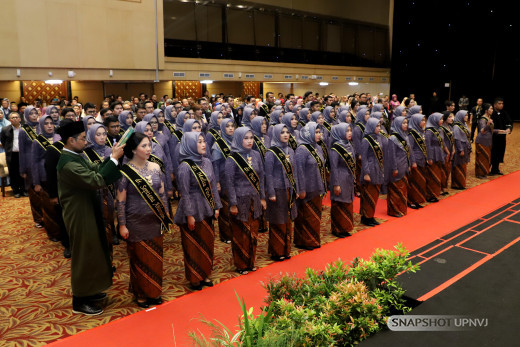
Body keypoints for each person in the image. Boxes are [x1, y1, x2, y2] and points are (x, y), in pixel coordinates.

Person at [57, 121, 124, 315]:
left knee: (93, 249)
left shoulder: (75, 155)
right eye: (83, 138)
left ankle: (89, 291)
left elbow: (92, 169)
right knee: (83, 253)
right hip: (78, 213)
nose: (86, 141)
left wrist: (110, 158)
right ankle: (79, 300)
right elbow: (95, 180)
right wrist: (112, 160)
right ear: (71, 140)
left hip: (86, 208)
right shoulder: (68, 163)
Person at [118, 132, 172, 308]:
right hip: (135, 222)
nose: (148, 149)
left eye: (149, 145)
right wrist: (122, 224)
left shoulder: (156, 167)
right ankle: (141, 293)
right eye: (144, 146)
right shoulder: (125, 172)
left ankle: (154, 291)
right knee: (139, 259)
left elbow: (162, 194)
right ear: (133, 149)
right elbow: (121, 201)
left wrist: (165, 217)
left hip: (154, 220)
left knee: (155, 257)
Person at [175, 132, 222, 290]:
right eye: (199, 142)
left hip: (207, 206)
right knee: (193, 245)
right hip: (192, 209)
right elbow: (185, 193)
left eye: (204, 141)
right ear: (189, 145)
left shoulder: (207, 162)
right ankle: (195, 277)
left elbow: (213, 186)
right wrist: (189, 215)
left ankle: (205, 273)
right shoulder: (184, 167)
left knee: (207, 242)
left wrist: (216, 206)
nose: (204, 144)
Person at [225, 127, 266, 274]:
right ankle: (242, 264)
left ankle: (251, 262)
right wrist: (233, 203)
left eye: (251, 138)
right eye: (246, 138)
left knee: (253, 232)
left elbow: (261, 177)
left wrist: (262, 197)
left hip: (254, 199)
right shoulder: (232, 159)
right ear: (238, 139)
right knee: (241, 234)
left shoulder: (255, 155)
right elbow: (229, 183)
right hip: (240, 201)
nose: (249, 141)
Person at [265, 124, 298, 260]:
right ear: (276, 134)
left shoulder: (290, 150)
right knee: (278, 220)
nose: (285, 134)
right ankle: (276, 251)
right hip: (277, 191)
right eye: (282, 132)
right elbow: (268, 175)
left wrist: (295, 188)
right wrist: (271, 192)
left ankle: (286, 250)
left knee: (287, 220)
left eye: (287, 132)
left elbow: (294, 172)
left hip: (288, 190)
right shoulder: (270, 153)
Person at [294, 122, 326, 249]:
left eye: (319, 132)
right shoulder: (302, 149)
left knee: (314, 216)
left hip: (317, 187)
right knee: (306, 216)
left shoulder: (317, 147)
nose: (319, 135)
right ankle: (305, 241)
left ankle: (313, 239)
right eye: (316, 132)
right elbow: (299, 171)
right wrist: (301, 189)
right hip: (306, 188)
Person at [32, 114, 59, 241]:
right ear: (41, 126)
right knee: (49, 208)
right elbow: (34, 162)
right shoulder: (37, 141)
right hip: (44, 176)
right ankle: (53, 233)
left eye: (51, 123)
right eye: (46, 124)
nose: (49, 126)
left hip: (59, 174)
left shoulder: (58, 137)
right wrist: (36, 182)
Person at [329, 123, 356, 235]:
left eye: (350, 130)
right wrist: (336, 184)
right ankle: (337, 229)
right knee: (339, 203)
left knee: (347, 203)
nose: (349, 133)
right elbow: (334, 167)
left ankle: (345, 227)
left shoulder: (349, 144)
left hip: (348, 178)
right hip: (340, 178)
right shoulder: (335, 148)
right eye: (347, 131)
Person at [19, 106, 44, 227]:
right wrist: (22, 169)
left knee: (44, 192)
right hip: (29, 163)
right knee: (33, 193)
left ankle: (46, 216)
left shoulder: (42, 127)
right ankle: (38, 219)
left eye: (36, 113)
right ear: (26, 115)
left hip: (42, 162)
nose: (34, 115)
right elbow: (22, 151)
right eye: (31, 113)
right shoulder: (23, 130)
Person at [211, 118, 234, 243]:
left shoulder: (237, 141)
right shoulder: (218, 144)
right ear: (222, 128)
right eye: (227, 126)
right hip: (223, 180)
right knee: (225, 208)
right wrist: (217, 181)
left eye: (232, 126)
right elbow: (215, 165)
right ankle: (225, 235)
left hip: (235, 179)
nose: (230, 128)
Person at [359, 118, 384, 226]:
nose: (379, 128)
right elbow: (363, 157)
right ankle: (366, 217)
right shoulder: (366, 139)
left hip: (377, 167)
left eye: (379, 126)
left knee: (374, 194)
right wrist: (366, 173)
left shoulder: (378, 137)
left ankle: (371, 215)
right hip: (369, 168)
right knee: (368, 194)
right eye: (377, 126)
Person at [387, 116, 414, 217]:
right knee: (395, 190)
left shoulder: (405, 136)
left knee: (403, 189)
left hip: (404, 166)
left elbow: (409, 152)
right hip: (397, 167)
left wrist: (409, 164)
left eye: (406, 123)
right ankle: (394, 210)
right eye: (403, 123)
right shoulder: (393, 138)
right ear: (398, 124)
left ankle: (401, 209)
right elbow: (391, 155)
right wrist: (394, 168)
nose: (406, 125)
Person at [407, 113, 428, 209]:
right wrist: (413, 162)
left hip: (422, 159)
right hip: (415, 160)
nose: (424, 122)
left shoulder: (421, 131)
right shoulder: (412, 134)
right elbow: (410, 149)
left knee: (420, 181)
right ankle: (411, 200)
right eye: (421, 120)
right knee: (414, 182)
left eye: (424, 120)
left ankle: (418, 199)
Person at [424, 113, 445, 203]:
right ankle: (429, 195)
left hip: (438, 153)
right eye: (440, 119)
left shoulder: (439, 129)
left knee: (436, 175)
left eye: (442, 119)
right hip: (432, 154)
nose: (442, 121)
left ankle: (435, 193)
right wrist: (429, 158)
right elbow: (427, 145)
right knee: (431, 176)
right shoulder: (429, 131)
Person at [490, 98, 512, 175]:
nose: (501, 105)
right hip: (493, 138)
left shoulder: (504, 113)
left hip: (502, 138)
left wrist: (509, 129)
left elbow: (509, 122)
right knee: (492, 153)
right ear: (495, 104)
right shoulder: (491, 114)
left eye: (502, 104)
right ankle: (489, 169)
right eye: (499, 103)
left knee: (500, 152)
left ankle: (496, 169)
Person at [451, 110, 472, 189]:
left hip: (465, 146)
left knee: (463, 165)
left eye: (467, 115)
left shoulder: (464, 124)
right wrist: (461, 149)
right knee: (459, 165)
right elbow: (457, 139)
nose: (467, 117)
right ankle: (457, 184)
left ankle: (461, 183)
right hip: (460, 148)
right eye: (465, 115)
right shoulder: (456, 126)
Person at [475, 103, 494, 178]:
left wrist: (502, 131)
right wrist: (488, 124)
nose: (492, 110)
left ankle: (484, 172)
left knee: (486, 157)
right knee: (482, 158)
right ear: (486, 110)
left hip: (488, 141)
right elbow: (482, 131)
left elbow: (490, 130)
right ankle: (479, 173)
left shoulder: (489, 118)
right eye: (491, 108)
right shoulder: (483, 119)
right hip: (482, 141)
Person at [440, 111, 455, 195]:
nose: (451, 118)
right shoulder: (441, 128)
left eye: (452, 117)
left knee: (447, 169)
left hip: (450, 150)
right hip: (444, 151)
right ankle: (440, 188)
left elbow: (452, 139)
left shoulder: (450, 127)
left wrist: (453, 150)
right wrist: (447, 151)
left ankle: (444, 186)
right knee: (443, 169)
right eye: (449, 117)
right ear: (445, 118)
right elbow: (442, 141)